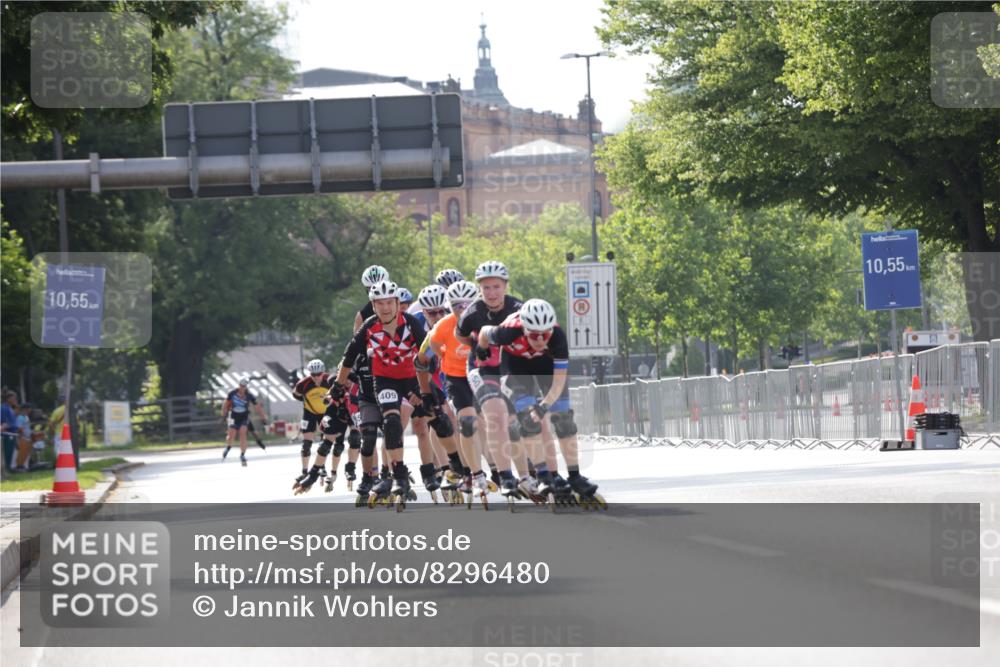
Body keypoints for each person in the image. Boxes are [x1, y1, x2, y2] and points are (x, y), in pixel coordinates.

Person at [327, 280, 443, 510]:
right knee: (387, 426)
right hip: (381, 387)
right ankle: (386, 475)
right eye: (379, 304)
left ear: (398, 303)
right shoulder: (368, 329)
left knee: (423, 425)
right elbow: (348, 359)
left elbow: (427, 353)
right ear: (373, 306)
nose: (386, 308)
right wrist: (338, 387)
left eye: (390, 302)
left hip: (412, 381)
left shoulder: (410, 322)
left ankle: (431, 471)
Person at [479, 299, 604, 508]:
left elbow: (558, 382)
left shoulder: (557, 337)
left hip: (545, 365)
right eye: (534, 335)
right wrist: (482, 349)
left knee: (564, 419)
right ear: (524, 328)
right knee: (528, 420)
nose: (539, 339)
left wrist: (544, 405)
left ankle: (575, 476)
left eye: (544, 334)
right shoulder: (509, 330)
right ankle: (544, 475)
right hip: (515, 365)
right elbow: (484, 332)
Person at [455, 260, 532, 500]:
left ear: (506, 286)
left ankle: (526, 478)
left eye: (496, 287)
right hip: (481, 368)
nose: (491, 293)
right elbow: (460, 334)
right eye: (486, 288)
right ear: (480, 289)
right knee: (496, 417)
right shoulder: (472, 312)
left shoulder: (519, 308)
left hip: (509, 368)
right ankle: (505, 476)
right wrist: (476, 346)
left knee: (513, 423)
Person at [291, 359, 333, 481]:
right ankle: (304, 471)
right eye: (313, 375)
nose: (316, 377)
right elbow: (296, 394)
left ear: (323, 372)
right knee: (306, 445)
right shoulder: (303, 383)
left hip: (325, 413)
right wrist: (307, 402)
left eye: (319, 374)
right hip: (309, 413)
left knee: (324, 443)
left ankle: (322, 467)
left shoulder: (330, 380)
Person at [221, 378, 268, 467]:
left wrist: (263, 417)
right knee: (231, 434)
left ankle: (242, 454)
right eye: (241, 386)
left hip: (244, 416)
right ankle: (228, 447)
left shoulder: (249, 395)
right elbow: (225, 404)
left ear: (246, 387)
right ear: (239, 385)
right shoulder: (232, 393)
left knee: (243, 432)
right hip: (233, 416)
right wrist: (223, 415)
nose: (242, 388)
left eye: (244, 386)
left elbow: (258, 407)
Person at [354, 265, 390, 333]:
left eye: (381, 288)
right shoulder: (362, 316)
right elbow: (357, 342)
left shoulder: (400, 304)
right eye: (373, 289)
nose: (378, 293)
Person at [1, 391, 19, 472]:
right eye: (13, 398)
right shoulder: (4, 408)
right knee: (7, 454)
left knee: (11, 454)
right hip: (7, 434)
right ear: (8, 399)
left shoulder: (10, 408)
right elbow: (4, 422)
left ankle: (8, 469)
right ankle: (6, 470)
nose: (15, 400)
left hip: (13, 434)